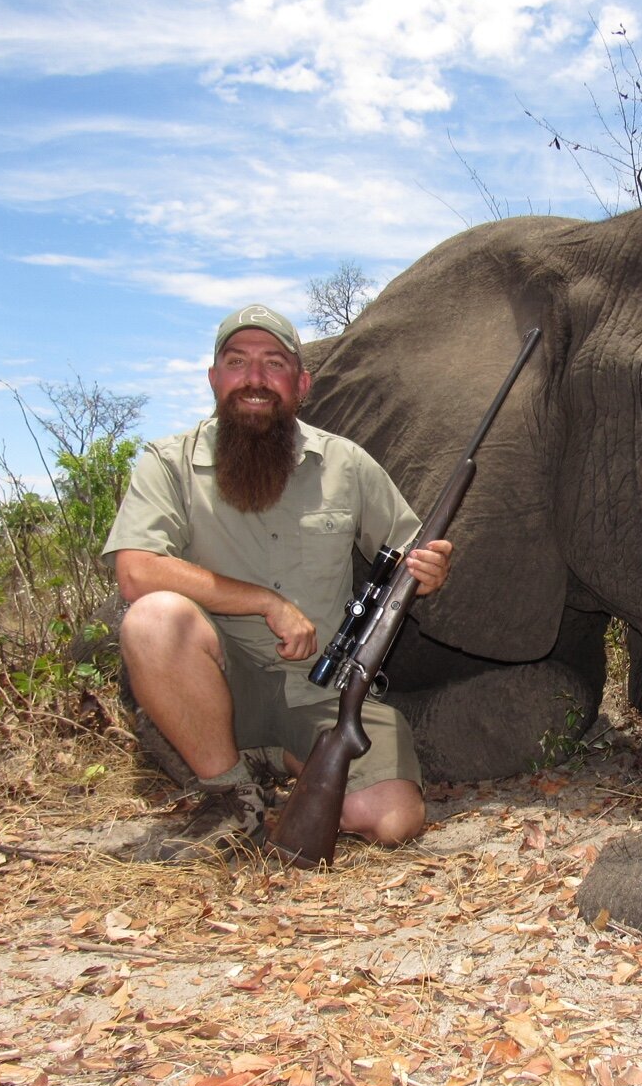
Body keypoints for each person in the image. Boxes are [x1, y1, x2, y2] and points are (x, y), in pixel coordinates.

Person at [102, 304, 450, 861]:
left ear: (301, 382)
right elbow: (136, 570)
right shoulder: (167, 462)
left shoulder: (347, 464)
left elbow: (413, 557)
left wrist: (431, 569)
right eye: (237, 362)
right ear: (214, 378)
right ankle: (230, 796)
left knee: (390, 821)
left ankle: (270, 757)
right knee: (153, 619)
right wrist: (266, 602)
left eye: (274, 363)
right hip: (221, 683)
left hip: (322, 688)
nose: (255, 378)